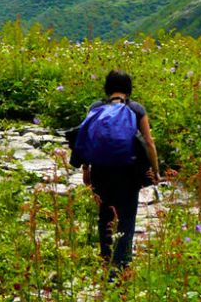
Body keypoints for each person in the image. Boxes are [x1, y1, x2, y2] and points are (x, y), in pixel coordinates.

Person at [79, 70, 159, 272]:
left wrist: (86, 169)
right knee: (126, 217)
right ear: (129, 89)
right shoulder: (136, 109)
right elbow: (149, 143)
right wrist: (155, 171)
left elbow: (86, 139)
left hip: (101, 169)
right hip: (128, 172)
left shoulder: (96, 108)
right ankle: (122, 264)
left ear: (107, 88)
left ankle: (106, 260)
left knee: (105, 214)